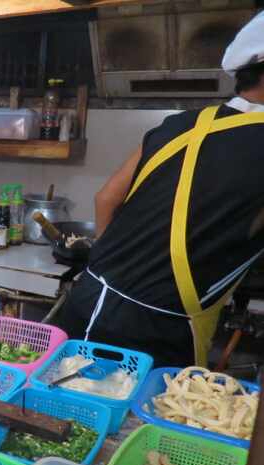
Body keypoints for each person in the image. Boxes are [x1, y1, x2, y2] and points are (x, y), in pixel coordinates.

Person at [59, 12, 264, 368]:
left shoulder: (181, 124)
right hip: (160, 330)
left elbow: (105, 197)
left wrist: (109, 268)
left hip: (91, 296)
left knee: (65, 407)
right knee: (144, 420)